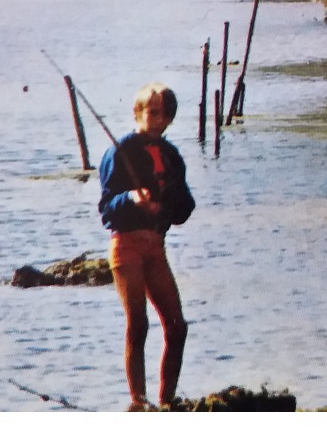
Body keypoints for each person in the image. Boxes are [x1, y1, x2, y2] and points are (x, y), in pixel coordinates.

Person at [98, 83, 196, 410]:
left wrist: (167, 205)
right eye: (151, 112)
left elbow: (183, 210)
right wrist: (132, 200)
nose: (158, 119)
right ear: (137, 113)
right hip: (126, 248)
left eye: (164, 113)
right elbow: (107, 209)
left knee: (177, 327)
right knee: (138, 324)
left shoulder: (171, 156)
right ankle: (138, 403)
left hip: (157, 247)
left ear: (170, 118)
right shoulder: (119, 152)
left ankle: (166, 401)